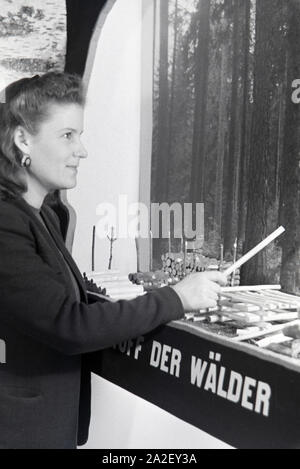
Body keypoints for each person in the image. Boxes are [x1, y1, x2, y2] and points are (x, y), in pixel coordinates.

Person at [0, 72, 227, 449]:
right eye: (67, 135)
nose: (82, 150)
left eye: (80, 135)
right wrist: (176, 298)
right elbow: (68, 325)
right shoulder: (7, 221)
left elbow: (59, 304)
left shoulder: (44, 213)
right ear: (23, 139)